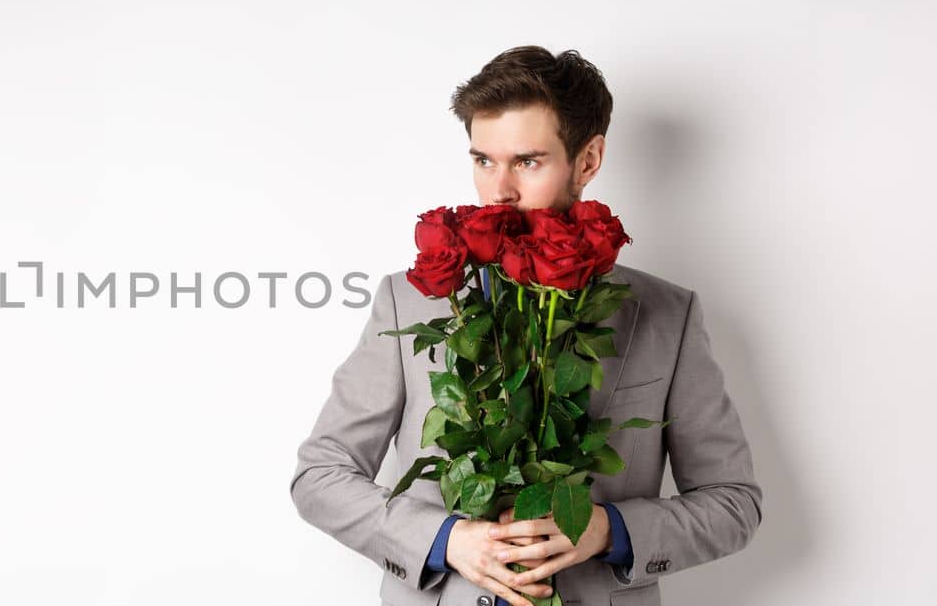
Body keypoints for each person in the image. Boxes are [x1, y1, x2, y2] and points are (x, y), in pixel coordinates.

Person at [288, 46, 762, 606]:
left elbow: (734, 503)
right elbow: (319, 477)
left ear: (587, 161)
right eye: (483, 160)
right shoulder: (406, 303)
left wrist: (608, 531)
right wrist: (446, 540)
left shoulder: (668, 314)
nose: (499, 190)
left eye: (527, 162)